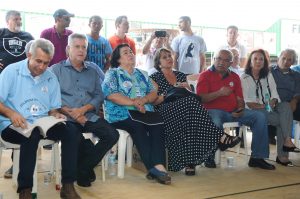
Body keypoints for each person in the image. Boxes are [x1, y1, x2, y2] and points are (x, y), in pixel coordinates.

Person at [0, 38, 81, 199]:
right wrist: (11, 113)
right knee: (32, 134)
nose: (42, 67)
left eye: (46, 63)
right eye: (38, 61)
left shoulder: (50, 77)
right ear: (29, 55)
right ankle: (25, 190)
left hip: (42, 123)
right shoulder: (11, 71)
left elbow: (52, 109)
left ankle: (68, 185)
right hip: (11, 124)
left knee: (72, 131)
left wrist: (55, 115)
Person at [149, 48, 241, 174]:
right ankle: (220, 137)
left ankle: (190, 163)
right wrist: (168, 93)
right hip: (165, 111)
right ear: (158, 63)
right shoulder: (154, 77)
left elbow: (193, 96)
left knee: (191, 115)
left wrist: (187, 89)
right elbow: (153, 101)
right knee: (191, 107)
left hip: (185, 110)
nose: (169, 59)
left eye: (169, 56)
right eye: (164, 57)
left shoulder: (181, 75)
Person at [51, 33, 119, 187]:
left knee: (112, 134)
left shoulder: (92, 71)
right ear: (68, 49)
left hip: (87, 115)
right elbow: (51, 98)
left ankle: (83, 168)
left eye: (84, 47)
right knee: (73, 136)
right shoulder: (56, 70)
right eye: (77, 47)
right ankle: (84, 163)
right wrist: (73, 114)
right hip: (65, 118)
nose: (81, 50)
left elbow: (99, 95)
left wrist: (83, 110)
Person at [102, 43, 170, 185]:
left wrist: (144, 100)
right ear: (118, 59)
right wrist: (134, 103)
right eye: (126, 52)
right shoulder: (113, 73)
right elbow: (111, 95)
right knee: (137, 126)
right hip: (120, 114)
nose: (131, 54)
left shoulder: (142, 74)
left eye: (131, 52)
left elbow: (153, 91)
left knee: (158, 124)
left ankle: (158, 166)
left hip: (143, 112)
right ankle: (154, 168)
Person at [197, 49, 275, 170]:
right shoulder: (205, 75)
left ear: (231, 63)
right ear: (214, 59)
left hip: (233, 111)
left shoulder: (234, 77)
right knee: (215, 120)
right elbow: (201, 98)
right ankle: (209, 155)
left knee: (260, 117)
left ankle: (257, 158)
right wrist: (219, 93)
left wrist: (240, 109)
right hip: (213, 111)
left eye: (225, 60)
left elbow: (240, 99)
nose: (221, 62)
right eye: (218, 59)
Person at [241, 49, 299, 167]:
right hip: (255, 110)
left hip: (272, 107)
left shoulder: (268, 75)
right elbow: (247, 102)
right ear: (250, 61)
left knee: (286, 107)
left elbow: (274, 93)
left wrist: (273, 100)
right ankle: (283, 153)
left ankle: (287, 140)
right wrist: (265, 105)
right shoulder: (244, 78)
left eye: (261, 59)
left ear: (265, 62)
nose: (258, 61)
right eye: (255, 59)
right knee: (283, 120)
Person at [0, 10, 34, 179]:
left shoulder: (28, 36)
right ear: (8, 21)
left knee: (21, 118)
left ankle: (17, 164)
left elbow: (36, 53)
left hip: (24, 83)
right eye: (16, 19)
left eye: (20, 18)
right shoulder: (1, 33)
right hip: (3, 81)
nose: (19, 21)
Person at [271, 49, 300, 122]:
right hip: (274, 102)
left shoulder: (296, 75)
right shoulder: (269, 71)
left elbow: (297, 92)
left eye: (289, 60)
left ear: (292, 62)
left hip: (291, 103)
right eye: (283, 58)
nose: (285, 62)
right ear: (278, 58)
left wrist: (294, 100)